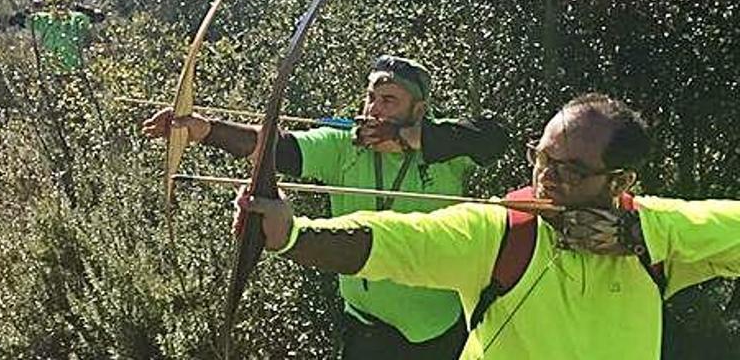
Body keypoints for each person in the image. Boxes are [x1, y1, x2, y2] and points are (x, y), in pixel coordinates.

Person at [238, 93, 740, 360]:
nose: (546, 177)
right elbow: (400, 241)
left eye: (571, 170)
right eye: (542, 158)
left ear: (621, 180)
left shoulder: (654, 235)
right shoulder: (502, 231)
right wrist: (293, 234)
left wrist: (637, 234)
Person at [143, 55, 508, 360]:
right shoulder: (344, 146)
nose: (374, 110)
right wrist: (203, 129)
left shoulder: (447, 153)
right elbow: (275, 148)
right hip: (365, 325)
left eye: (389, 101)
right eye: (371, 98)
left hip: (435, 328)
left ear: (419, 110)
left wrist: (411, 138)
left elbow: (495, 137)